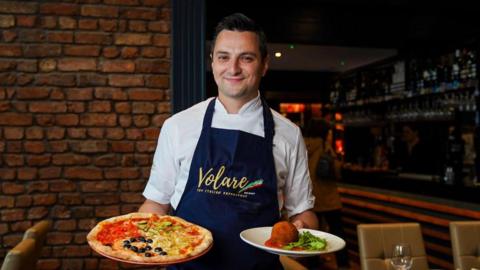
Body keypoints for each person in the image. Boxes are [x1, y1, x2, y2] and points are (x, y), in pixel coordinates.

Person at [138, 13, 318, 270]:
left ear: (264, 64)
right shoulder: (178, 126)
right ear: (212, 62)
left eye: (246, 58)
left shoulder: (288, 133)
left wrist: (302, 231)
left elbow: (303, 212)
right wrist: (139, 241)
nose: (233, 69)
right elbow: (156, 203)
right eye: (223, 57)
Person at [303, 118, 350, 269]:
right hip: (328, 197)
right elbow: (336, 170)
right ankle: (343, 264)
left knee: (312, 233)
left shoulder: (301, 144)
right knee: (338, 232)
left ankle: (313, 264)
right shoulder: (324, 145)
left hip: (309, 198)